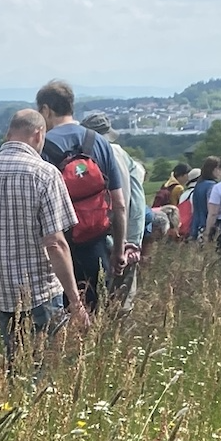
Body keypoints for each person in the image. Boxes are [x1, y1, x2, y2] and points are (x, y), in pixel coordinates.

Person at [0, 109, 91, 365]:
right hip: (40, 292)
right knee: (47, 368)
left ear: (8, 134)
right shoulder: (45, 174)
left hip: (0, 292)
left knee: (16, 365)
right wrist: (75, 302)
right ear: (38, 134)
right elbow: (55, 244)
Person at [35, 81, 127, 313]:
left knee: (65, 321)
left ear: (46, 110)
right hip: (97, 246)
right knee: (97, 315)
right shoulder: (100, 142)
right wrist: (118, 250)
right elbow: (119, 205)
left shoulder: (42, 148)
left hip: (59, 251)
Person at [80, 111, 146, 311]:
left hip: (95, 241)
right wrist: (133, 242)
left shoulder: (83, 159)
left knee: (93, 303)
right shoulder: (122, 155)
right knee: (121, 305)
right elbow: (137, 201)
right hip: (125, 240)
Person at [187, 157, 220, 242]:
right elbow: (212, 210)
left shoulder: (198, 185)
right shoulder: (212, 186)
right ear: (214, 169)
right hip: (207, 225)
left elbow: (193, 209)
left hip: (197, 224)